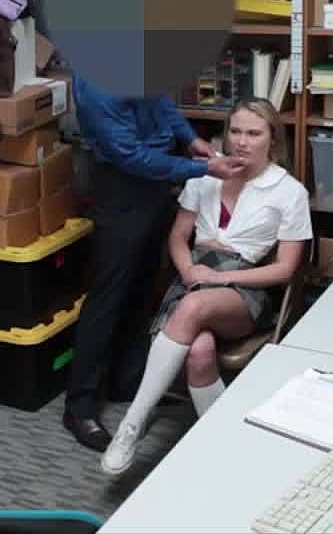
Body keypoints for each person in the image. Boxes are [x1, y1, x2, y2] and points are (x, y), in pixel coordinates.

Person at [100, 98, 313, 474]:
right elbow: (178, 237)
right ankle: (221, 443)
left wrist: (218, 277)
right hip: (194, 275)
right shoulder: (205, 175)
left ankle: (131, 425)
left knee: (192, 307)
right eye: (235, 131)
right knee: (199, 351)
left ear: (273, 140)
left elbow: (284, 269)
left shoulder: (289, 191)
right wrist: (188, 270)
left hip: (245, 284)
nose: (242, 142)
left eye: (254, 133)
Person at [63, 75, 248, 452]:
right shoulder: (96, 83)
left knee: (143, 284)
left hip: (156, 180)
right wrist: (201, 169)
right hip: (122, 185)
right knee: (108, 294)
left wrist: (190, 139)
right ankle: (79, 406)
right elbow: (130, 157)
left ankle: (125, 381)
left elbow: (161, 101)